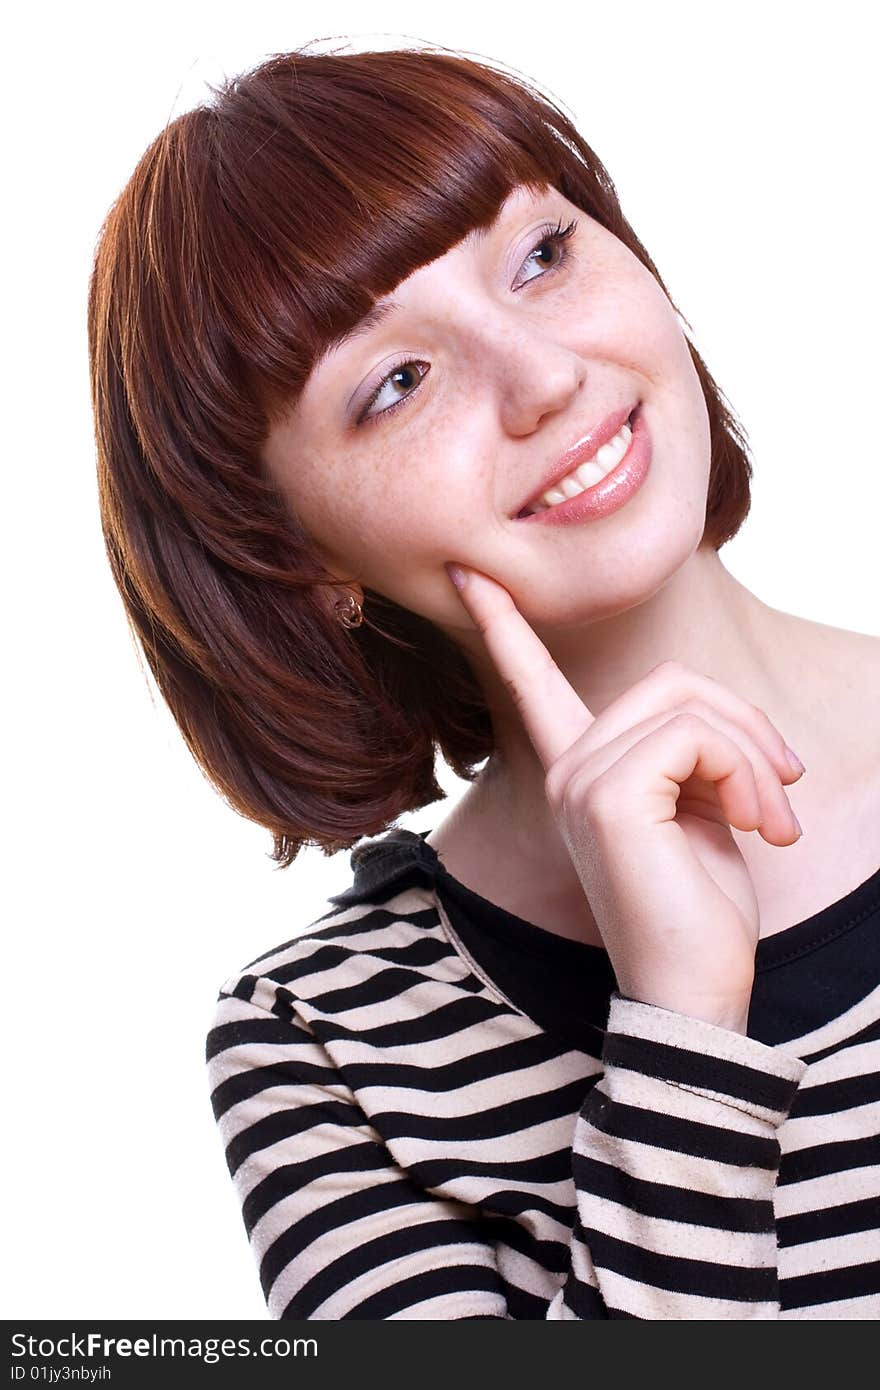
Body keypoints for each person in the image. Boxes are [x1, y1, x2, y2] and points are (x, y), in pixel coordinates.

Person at [88, 44, 880, 1319]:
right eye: (396, 383)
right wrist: (683, 1025)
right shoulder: (324, 1056)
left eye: (541, 256)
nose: (547, 377)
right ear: (292, 556)